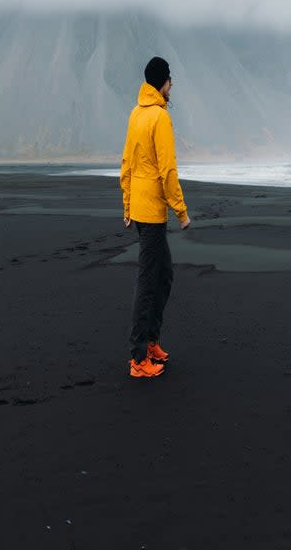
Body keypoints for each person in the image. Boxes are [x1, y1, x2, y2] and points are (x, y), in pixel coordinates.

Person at [120, 56, 191, 379]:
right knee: (148, 282)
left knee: (164, 276)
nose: (172, 84)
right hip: (150, 211)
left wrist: (126, 207)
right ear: (161, 83)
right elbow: (167, 170)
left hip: (141, 208)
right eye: (170, 79)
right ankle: (138, 360)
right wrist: (182, 211)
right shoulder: (158, 118)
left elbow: (126, 164)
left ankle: (151, 342)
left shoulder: (136, 114)